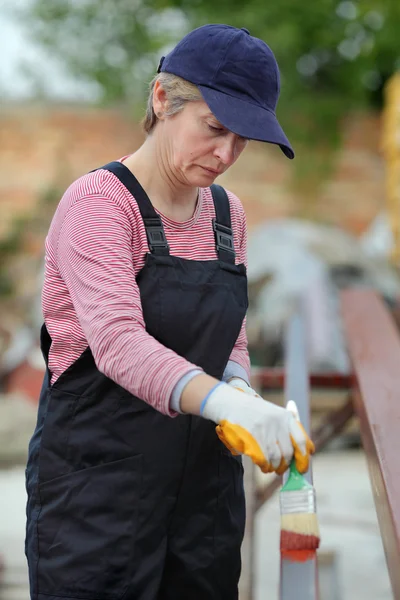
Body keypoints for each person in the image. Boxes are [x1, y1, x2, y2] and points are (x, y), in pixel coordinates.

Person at [25, 24, 314, 600]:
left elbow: (227, 337)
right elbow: (118, 343)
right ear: (162, 98)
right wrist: (223, 400)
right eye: (214, 129)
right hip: (96, 502)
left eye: (243, 140)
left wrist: (243, 391)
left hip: (203, 506)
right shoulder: (100, 204)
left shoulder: (228, 216)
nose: (227, 154)